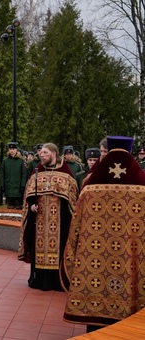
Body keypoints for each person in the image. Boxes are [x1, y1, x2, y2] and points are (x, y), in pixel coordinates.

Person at [61, 136, 145, 332]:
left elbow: (77, 224)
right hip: (131, 259)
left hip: (95, 260)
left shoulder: (91, 186)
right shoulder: (142, 186)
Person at [18, 143, 78, 291]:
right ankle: (38, 280)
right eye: (41, 153)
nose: (41, 155)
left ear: (54, 154)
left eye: (45, 153)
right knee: (37, 248)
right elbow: (29, 194)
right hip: (38, 220)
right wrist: (32, 205)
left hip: (59, 220)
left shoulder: (66, 172)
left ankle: (58, 282)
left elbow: (73, 195)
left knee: (60, 248)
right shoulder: (37, 171)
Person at [1, 142, 27, 209]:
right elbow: (2, 174)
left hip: (18, 188)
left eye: (13, 149)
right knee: (9, 207)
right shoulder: (5, 161)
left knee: (18, 207)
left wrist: (23, 185)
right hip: (8, 188)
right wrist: (2, 185)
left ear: (16, 150)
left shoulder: (21, 161)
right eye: (10, 149)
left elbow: (24, 174)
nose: (12, 151)